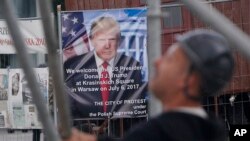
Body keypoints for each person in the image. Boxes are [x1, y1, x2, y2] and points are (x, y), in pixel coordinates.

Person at [63, 29, 234, 141]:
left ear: (189, 79)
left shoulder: (160, 131)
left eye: (170, 59)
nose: (157, 62)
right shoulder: (212, 128)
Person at [64, 16, 147, 119]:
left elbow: (135, 106)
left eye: (112, 39)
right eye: (102, 40)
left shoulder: (132, 66)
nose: (107, 45)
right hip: (85, 130)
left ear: (119, 41)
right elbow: (69, 109)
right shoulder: (73, 67)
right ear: (92, 40)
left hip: (121, 131)